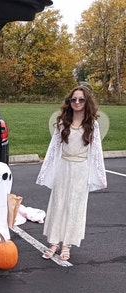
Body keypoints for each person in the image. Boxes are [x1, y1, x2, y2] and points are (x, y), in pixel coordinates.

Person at [36, 85, 107, 261]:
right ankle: (54, 242)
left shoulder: (93, 125)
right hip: (64, 168)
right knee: (58, 203)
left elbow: (96, 152)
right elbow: (53, 149)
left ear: (86, 102)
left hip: (80, 170)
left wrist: (99, 175)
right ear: (69, 102)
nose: (76, 102)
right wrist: (47, 171)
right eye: (73, 99)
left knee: (74, 207)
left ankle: (67, 244)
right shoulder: (63, 123)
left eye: (81, 99)